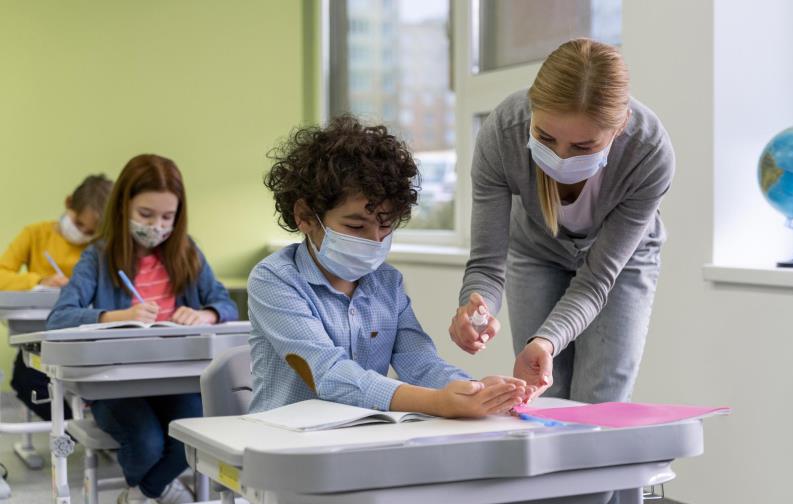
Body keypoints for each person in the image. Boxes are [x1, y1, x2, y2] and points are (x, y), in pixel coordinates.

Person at [249, 116, 527, 417]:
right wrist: (438, 402)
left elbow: (419, 360)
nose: (375, 240)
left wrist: (474, 391)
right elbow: (328, 374)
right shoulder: (275, 280)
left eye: (386, 226)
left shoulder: (386, 282)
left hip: (362, 440)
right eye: (356, 226)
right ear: (305, 216)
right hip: (285, 443)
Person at [450, 38, 675, 406]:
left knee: (600, 396)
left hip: (620, 265)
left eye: (583, 147)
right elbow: (487, 264)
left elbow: (598, 279)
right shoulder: (504, 132)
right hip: (534, 249)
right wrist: (475, 309)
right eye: (545, 137)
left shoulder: (648, 152)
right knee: (542, 390)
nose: (560, 158)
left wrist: (546, 339)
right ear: (531, 111)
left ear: (619, 128)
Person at [47, 154, 238, 504]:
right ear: (122, 207)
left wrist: (206, 315)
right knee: (146, 441)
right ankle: (163, 491)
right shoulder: (98, 256)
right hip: (115, 384)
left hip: (176, 378)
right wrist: (118, 316)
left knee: (197, 432)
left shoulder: (188, 252)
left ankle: (142, 493)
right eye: (146, 215)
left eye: (168, 217)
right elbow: (60, 317)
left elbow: (225, 303)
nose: (157, 226)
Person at [1, 174, 111, 420]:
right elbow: (1, 273)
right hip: (41, 337)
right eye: (79, 224)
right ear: (69, 203)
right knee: (26, 381)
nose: (82, 234)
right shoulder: (35, 234)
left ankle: (98, 424)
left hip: (87, 338)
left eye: (91, 232)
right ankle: (74, 427)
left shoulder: (102, 249)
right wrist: (38, 280)